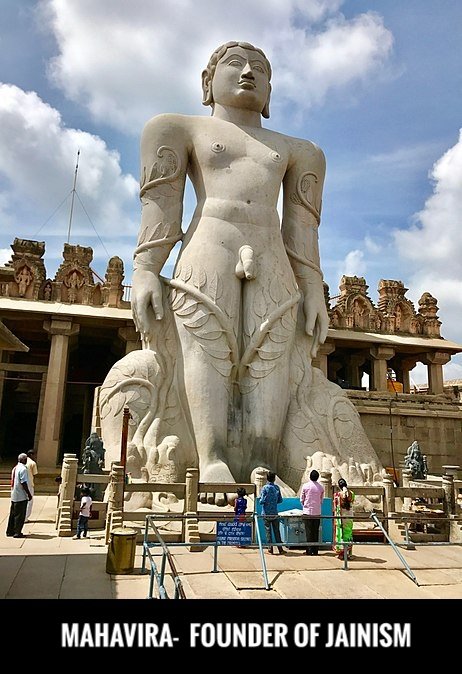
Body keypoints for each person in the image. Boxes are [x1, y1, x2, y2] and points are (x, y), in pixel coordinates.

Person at [131, 40, 328, 487]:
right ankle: (212, 455)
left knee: (271, 351)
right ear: (207, 82)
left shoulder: (300, 151)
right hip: (209, 243)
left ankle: (264, 459)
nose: (247, 73)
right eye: (234, 64)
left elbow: (303, 230)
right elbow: (161, 203)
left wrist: (313, 288)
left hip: (270, 250)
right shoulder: (177, 128)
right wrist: (145, 268)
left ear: (270, 91)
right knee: (206, 346)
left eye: (259, 68)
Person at [6, 453, 32, 538]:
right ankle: (17, 532)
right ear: (24, 460)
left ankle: (10, 531)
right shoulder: (23, 469)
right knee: (20, 515)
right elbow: (23, 482)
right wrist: (28, 494)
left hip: (14, 495)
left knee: (13, 514)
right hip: (21, 495)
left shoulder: (15, 468)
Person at [259, 471, 285, 554]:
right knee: (277, 531)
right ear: (274, 479)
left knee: (268, 531)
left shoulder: (265, 488)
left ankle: (270, 548)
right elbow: (280, 500)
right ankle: (280, 548)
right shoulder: (277, 488)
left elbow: (261, 501)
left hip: (266, 513)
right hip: (274, 513)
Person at [300, 469, 324, 556]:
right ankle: (315, 550)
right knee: (315, 532)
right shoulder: (321, 487)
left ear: (310, 477)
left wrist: (305, 505)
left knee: (308, 532)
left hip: (307, 511)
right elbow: (321, 500)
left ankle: (309, 550)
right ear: (317, 478)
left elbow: (302, 499)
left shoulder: (305, 486)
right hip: (317, 512)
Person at [333, 478, 355, 559]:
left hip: (341, 518)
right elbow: (351, 501)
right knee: (349, 534)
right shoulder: (352, 494)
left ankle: (342, 554)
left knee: (340, 534)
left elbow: (334, 507)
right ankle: (349, 553)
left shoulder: (337, 495)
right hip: (349, 517)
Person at [25, 449, 38, 522]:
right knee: (29, 500)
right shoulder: (32, 463)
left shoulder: (22, 461)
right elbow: (34, 473)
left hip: (22, 483)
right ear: (31, 455)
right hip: (29, 483)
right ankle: (25, 517)